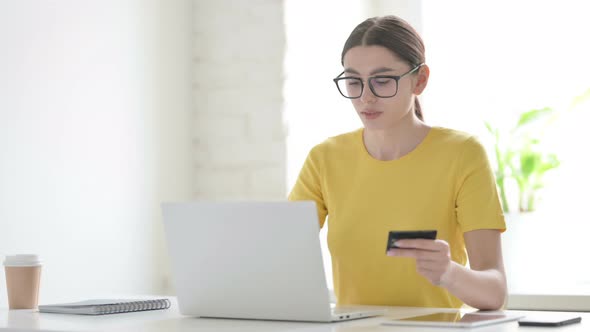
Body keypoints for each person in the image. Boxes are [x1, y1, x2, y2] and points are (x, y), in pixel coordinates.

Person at [288, 15, 507, 310]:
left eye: (382, 80)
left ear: (420, 80)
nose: (366, 97)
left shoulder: (462, 154)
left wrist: (449, 273)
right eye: (354, 81)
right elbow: (279, 255)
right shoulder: (325, 158)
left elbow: (495, 292)